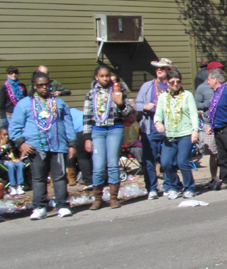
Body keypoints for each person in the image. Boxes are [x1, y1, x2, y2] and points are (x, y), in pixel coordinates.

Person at [10, 71, 76, 219]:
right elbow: (14, 127)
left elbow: (68, 124)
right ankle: (39, 207)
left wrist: (72, 144)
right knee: (39, 178)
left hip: (58, 145)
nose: (44, 88)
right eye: (40, 85)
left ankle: (62, 205)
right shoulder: (25, 104)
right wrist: (21, 143)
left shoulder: (59, 103)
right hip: (36, 146)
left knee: (59, 177)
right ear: (34, 86)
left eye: (47, 85)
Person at [83, 65, 133, 210]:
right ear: (96, 77)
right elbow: (86, 116)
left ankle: (113, 197)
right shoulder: (91, 93)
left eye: (107, 75)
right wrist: (87, 137)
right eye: (102, 76)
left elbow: (128, 112)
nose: (105, 78)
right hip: (97, 130)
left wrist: (120, 103)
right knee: (98, 166)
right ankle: (97, 197)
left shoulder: (118, 90)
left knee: (112, 164)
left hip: (114, 129)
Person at [154, 70, 199, 199]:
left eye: (178, 81)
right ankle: (175, 185)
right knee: (166, 162)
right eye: (172, 82)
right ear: (167, 83)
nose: (175, 84)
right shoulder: (163, 97)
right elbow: (158, 114)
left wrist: (195, 130)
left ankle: (190, 187)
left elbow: (193, 114)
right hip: (169, 135)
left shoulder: (187, 95)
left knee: (182, 161)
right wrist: (158, 123)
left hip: (185, 133)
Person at [135, 58, 174, 199]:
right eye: (157, 68)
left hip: (169, 129)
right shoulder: (148, 86)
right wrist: (144, 107)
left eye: (162, 68)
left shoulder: (172, 86)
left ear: (169, 71)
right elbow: (137, 104)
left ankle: (168, 186)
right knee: (149, 160)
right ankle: (151, 188)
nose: (159, 70)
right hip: (150, 129)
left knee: (168, 161)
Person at [195, 61, 222, 188]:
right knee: (213, 153)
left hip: (223, 122)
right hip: (208, 123)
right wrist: (209, 103)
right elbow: (196, 104)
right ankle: (214, 177)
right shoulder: (202, 88)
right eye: (219, 70)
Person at [0, 127, 26, 195]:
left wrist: (20, 158)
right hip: (2, 161)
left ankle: (19, 185)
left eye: (7, 135)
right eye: (4, 135)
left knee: (20, 164)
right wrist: (2, 143)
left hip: (13, 159)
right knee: (11, 165)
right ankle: (12, 186)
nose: (6, 136)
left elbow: (20, 151)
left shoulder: (11, 143)